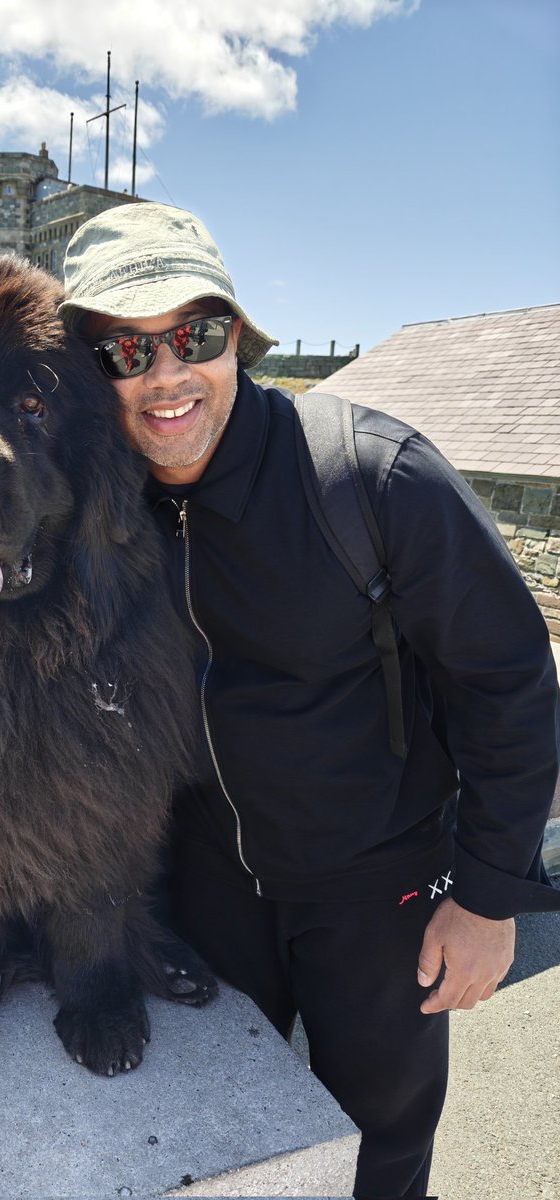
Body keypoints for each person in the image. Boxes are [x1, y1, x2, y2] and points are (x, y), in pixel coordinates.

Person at [59, 202, 560, 1199]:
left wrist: (488, 897)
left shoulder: (373, 477)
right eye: (124, 348)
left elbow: (510, 680)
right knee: (225, 1138)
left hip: (377, 892)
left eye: (194, 336)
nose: (165, 374)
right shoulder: (97, 511)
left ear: (236, 340)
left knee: (381, 1145)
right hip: (204, 885)